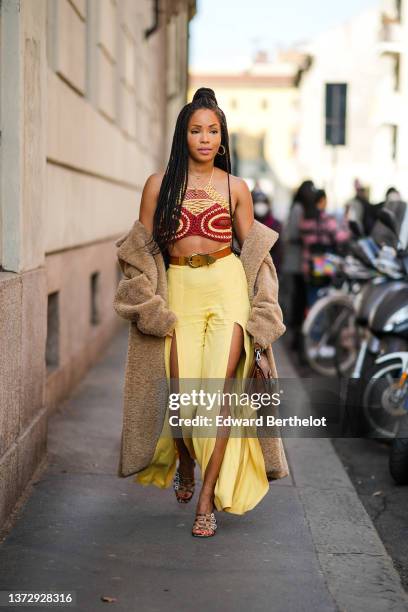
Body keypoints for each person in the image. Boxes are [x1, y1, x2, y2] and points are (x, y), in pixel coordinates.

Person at [113, 87, 289, 538]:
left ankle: (206, 499)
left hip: (227, 289)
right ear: (183, 135)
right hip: (180, 293)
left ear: (223, 138)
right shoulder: (159, 184)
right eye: (196, 130)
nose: (205, 138)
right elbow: (139, 251)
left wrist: (264, 308)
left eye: (213, 131)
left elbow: (256, 253)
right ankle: (185, 459)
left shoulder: (236, 188)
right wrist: (144, 300)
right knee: (183, 397)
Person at [299, 189, 349, 308]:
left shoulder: (304, 218)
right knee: (323, 294)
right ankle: (319, 323)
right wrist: (349, 228)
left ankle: (311, 320)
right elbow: (340, 237)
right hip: (322, 261)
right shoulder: (325, 218)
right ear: (322, 200)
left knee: (311, 294)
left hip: (307, 262)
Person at [281, 180, 316, 349]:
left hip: (299, 261)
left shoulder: (298, 207)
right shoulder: (298, 209)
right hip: (295, 261)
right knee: (295, 298)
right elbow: (292, 233)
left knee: (298, 298)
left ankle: (295, 334)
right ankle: (293, 334)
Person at [253, 192, 283, 275]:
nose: (260, 206)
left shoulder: (275, 224)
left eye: (263, 203)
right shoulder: (248, 223)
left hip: (272, 267)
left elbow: (279, 249)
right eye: (258, 203)